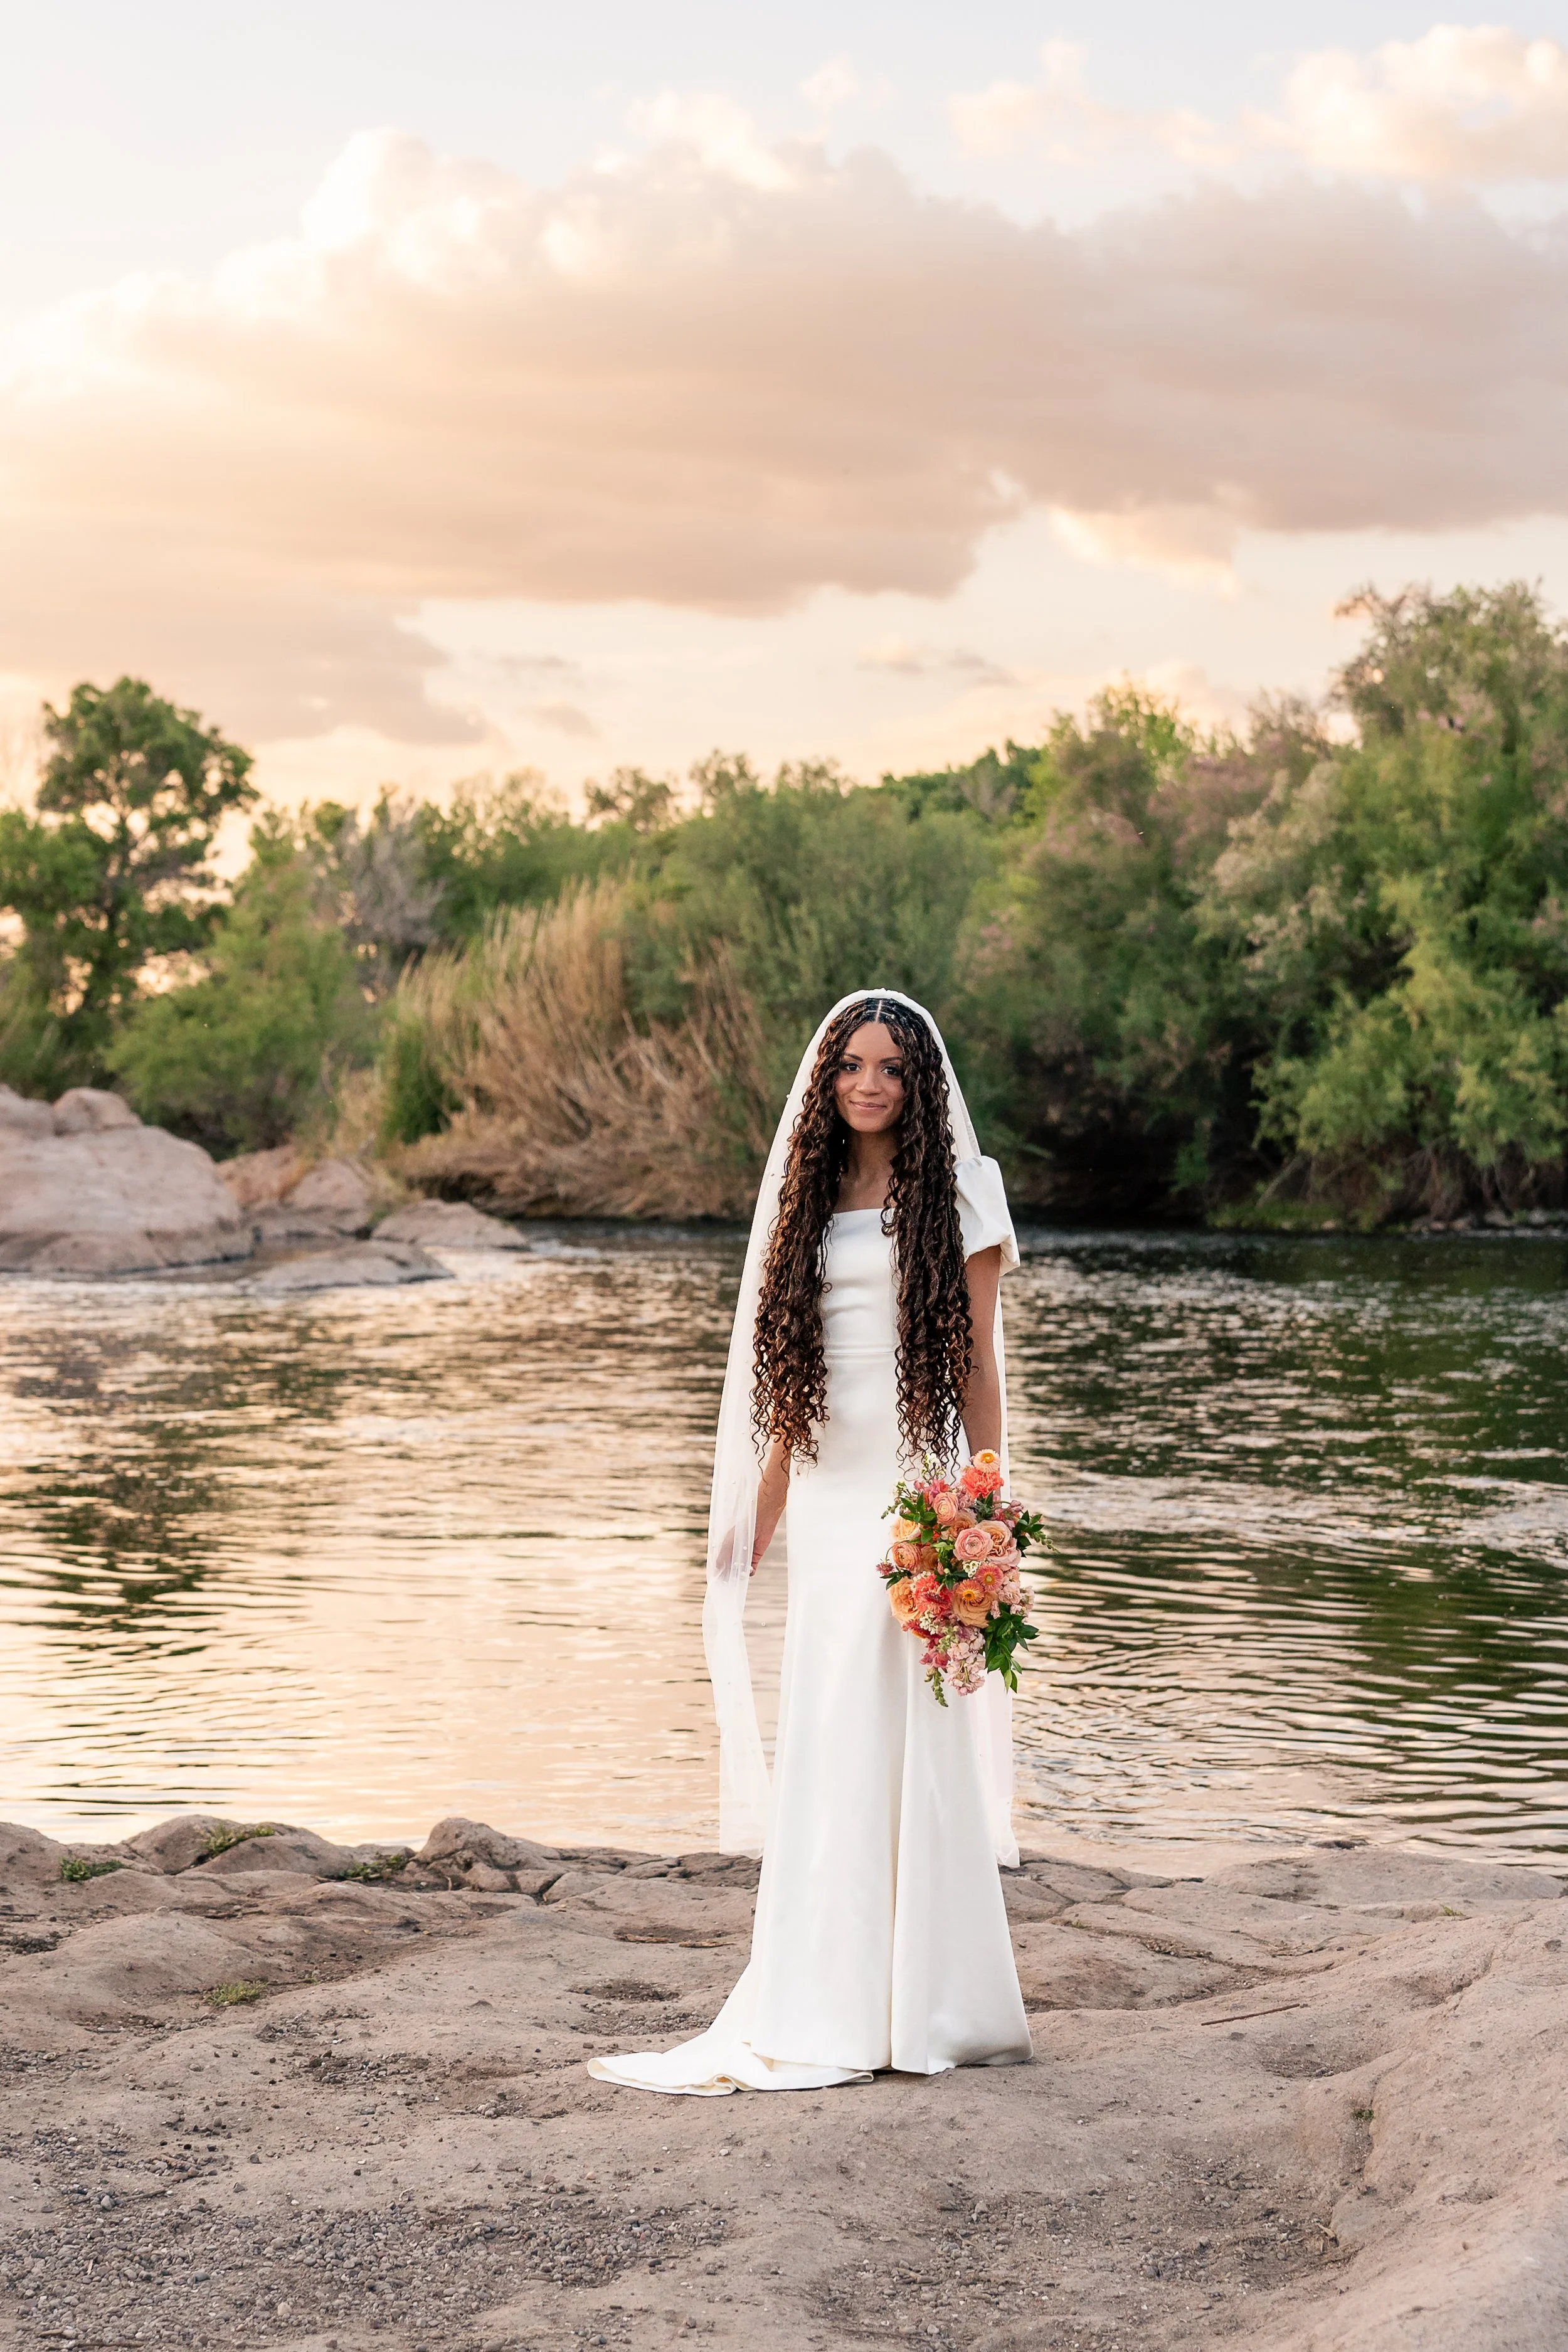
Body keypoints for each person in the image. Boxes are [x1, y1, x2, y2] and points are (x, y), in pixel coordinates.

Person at [589, 990, 1030, 2095]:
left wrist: (986, 1501)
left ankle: (932, 2004)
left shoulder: (966, 1194)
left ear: (920, 1084)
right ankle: (827, 1993)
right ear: (827, 1077)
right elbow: (794, 1388)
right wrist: (756, 1520)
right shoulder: (810, 1191)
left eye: (891, 1067)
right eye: (852, 1064)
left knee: (914, 1728)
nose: (870, 1083)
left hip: (917, 1485)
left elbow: (978, 1363)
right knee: (832, 1727)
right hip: (831, 1490)